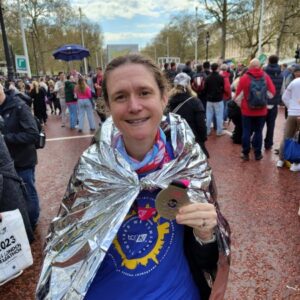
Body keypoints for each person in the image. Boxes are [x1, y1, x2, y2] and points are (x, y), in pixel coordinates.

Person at [36, 54, 230, 300]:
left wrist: (206, 235)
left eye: (144, 93)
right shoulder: (93, 170)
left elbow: (207, 259)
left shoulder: (188, 162)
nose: (134, 106)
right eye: (120, 96)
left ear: (163, 98)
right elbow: (65, 253)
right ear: (107, 106)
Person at [0, 83, 40, 229]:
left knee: (28, 192)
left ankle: (32, 223)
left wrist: (5, 138)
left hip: (23, 159)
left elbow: (32, 134)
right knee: (13, 196)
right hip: (6, 163)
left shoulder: (19, 106)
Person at [235, 58, 275, 161]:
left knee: (246, 131)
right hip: (261, 111)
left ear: (250, 66)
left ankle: (245, 153)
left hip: (247, 111)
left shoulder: (244, 78)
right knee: (258, 131)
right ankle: (257, 153)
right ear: (259, 66)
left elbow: (237, 97)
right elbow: (271, 94)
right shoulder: (265, 77)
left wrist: (242, 106)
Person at [168, 72, 209, 158]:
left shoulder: (168, 101)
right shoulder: (195, 101)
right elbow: (201, 123)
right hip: (192, 140)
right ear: (188, 84)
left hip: (174, 141)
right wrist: (202, 139)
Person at [276, 67, 300, 172]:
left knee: (287, 136)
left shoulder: (294, 82)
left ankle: (281, 160)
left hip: (292, 113)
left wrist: (291, 107)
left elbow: (284, 97)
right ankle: (296, 162)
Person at [263, 55, 283, 150]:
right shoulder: (281, 74)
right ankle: (268, 143)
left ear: (269, 61)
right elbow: (282, 90)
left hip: (263, 102)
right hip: (274, 102)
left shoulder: (263, 72)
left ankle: (255, 141)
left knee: (259, 124)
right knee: (271, 125)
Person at [204, 63, 225, 136]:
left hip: (209, 99)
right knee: (219, 116)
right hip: (218, 99)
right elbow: (223, 87)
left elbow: (205, 89)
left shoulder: (208, 78)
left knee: (208, 116)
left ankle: (207, 131)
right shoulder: (220, 77)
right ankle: (219, 131)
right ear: (217, 68)